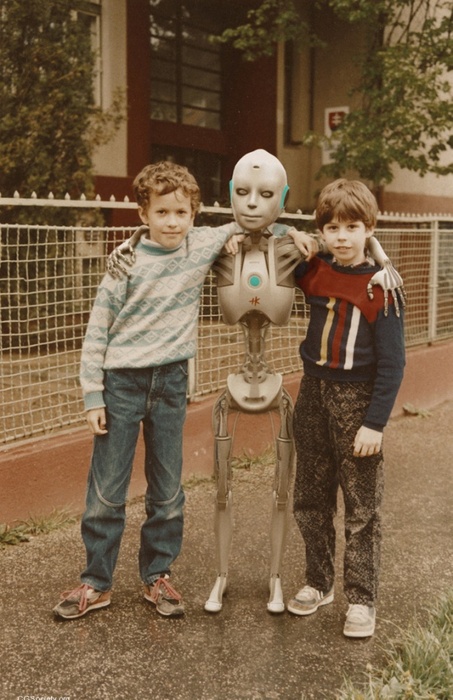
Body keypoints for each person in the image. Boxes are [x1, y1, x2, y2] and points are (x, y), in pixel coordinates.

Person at [52, 161, 255, 620]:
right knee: (107, 490)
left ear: (194, 214)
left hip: (171, 383)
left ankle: (158, 575)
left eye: (182, 213)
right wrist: (92, 394)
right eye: (162, 212)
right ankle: (96, 581)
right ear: (143, 214)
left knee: (167, 489)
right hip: (121, 383)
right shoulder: (125, 262)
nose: (172, 222)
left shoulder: (199, 244)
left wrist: (289, 237)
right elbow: (98, 328)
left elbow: (252, 222)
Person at [287, 179, 405, 638]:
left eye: (352, 227)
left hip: (357, 401)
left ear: (369, 228)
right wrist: (295, 235)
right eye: (332, 227)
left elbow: (393, 364)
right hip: (313, 392)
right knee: (310, 498)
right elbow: (273, 241)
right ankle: (319, 583)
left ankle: (361, 598)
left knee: (361, 507)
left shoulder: (382, 286)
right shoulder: (314, 270)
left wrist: (374, 424)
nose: (341, 237)